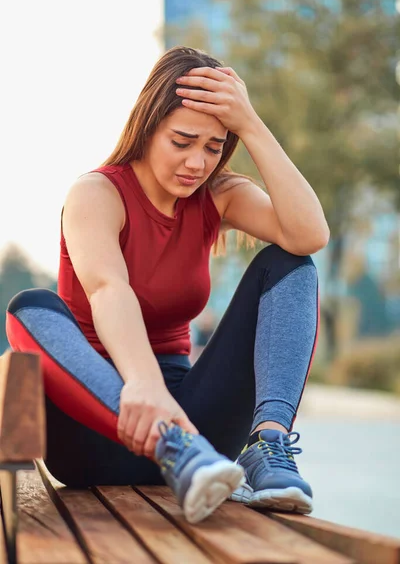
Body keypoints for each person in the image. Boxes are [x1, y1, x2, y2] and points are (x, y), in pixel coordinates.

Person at [6, 46, 329, 524]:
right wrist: (143, 386)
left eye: (213, 147)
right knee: (30, 307)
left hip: (200, 440)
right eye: (182, 141)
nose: (197, 163)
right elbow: (108, 290)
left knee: (290, 264)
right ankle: (170, 440)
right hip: (98, 433)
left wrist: (252, 125)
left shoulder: (218, 196)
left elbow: (309, 235)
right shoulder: (97, 193)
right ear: (148, 126)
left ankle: (268, 444)